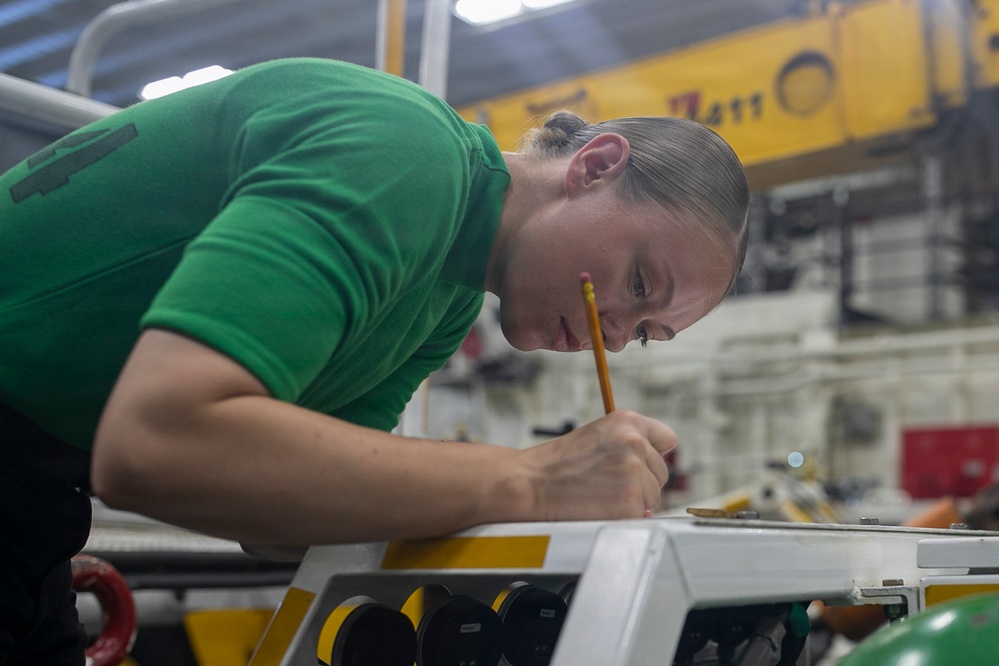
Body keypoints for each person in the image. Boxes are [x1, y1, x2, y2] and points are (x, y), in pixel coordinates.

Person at [0, 57, 749, 663]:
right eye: (638, 285)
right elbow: (156, 443)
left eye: (646, 332)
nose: (616, 336)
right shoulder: (403, 149)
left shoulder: (445, 299)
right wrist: (536, 480)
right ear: (596, 164)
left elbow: (277, 522)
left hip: (30, 505)